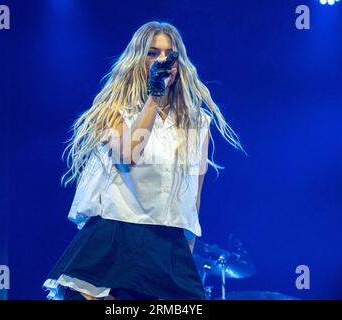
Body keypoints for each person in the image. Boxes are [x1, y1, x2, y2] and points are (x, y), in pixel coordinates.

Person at [42, 21, 246, 300]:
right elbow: (127, 155)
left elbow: (192, 197)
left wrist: (183, 254)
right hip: (117, 234)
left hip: (168, 244)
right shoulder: (114, 111)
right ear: (138, 60)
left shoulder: (197, 122)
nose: (161, 60)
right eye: (152, 53)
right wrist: (154, 96)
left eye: (168, 54)